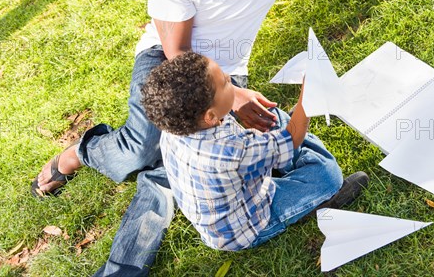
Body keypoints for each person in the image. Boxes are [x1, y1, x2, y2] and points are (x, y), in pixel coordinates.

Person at [31, 0, 426, 274]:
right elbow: (178, 55)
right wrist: (235, 97)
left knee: (186, 157)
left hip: (226, 74)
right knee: (141, 151)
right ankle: (81, 153)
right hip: (173, 62)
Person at [141, 52, 367, 250]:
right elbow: (293, 138)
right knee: (327, 174)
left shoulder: (175, 126)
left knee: (273, 119)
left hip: (229, 201)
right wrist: (308, 98)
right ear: (210, 116)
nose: (231, 80)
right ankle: (319, 201)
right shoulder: (231, 150)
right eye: (226, 83)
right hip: (247, 227)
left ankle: (277, 152)